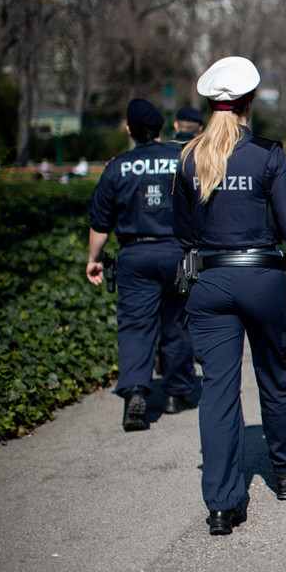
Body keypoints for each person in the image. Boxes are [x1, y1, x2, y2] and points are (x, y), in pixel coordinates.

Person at [173, 56, 286, 536]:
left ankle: (222, 506)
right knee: (273, 378)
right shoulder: (268, 154)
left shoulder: (189, 158)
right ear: (249, 102)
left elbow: (182, 233)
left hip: (210, 281)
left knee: (218, 392)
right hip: (263, 278)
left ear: (211, 103)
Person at [86, 98, 197, 433]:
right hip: (177, 252)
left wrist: (93, 259)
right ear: (162, 128)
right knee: (177, 322)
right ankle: (176, 393)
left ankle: (135, 388)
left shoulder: (116, 167)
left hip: (134, 255)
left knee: (135, 325)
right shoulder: (182, 158)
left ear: (129, 130)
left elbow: (100, 222)